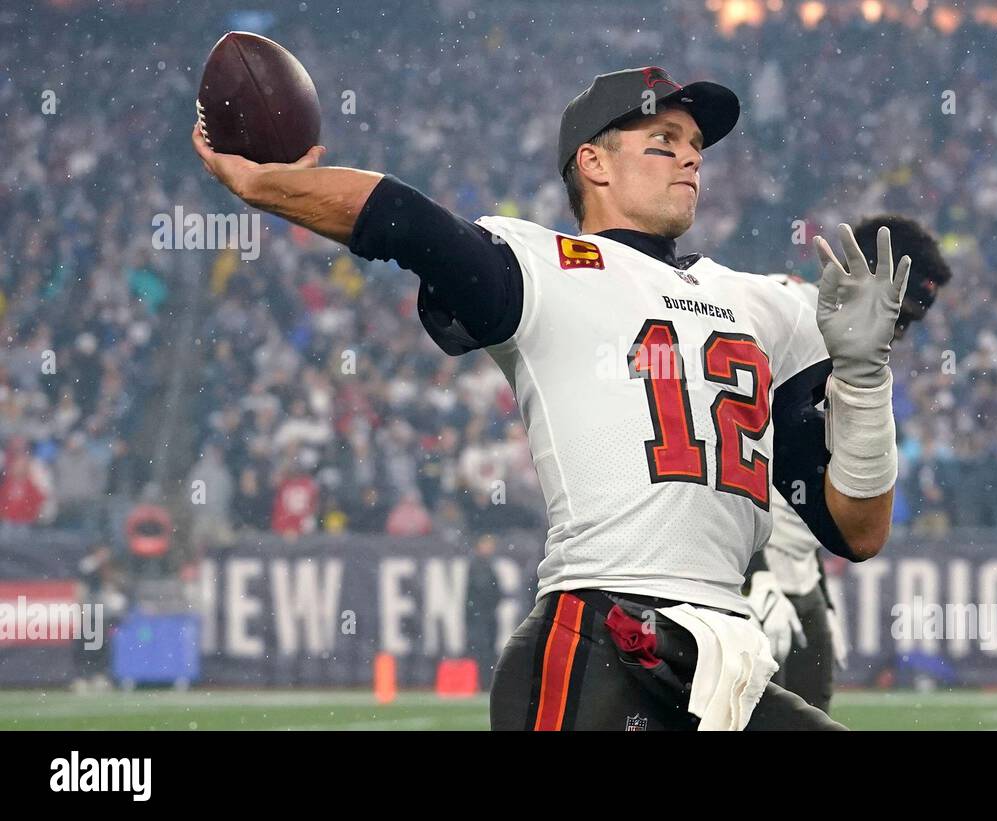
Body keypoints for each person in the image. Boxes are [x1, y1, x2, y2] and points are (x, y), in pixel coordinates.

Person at [194, 65, 908, 731]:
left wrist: (867, 380)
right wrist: (268, 187)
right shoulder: (550, 268)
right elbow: (404, 219)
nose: (692, 157)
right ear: (593, 163)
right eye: (664, 141)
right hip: (603, 634)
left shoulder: (765, 308)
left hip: (725, 658)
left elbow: (856, 529)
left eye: (695, 145)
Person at [746, 214, 952, 712]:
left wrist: (811, 576)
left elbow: (797, 471)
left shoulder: (845, 348)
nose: (899, 334)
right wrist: (749, 570)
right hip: (741, 563)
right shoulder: (781, 314)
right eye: (900, 317)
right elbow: (714, 438)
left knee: (812, 707)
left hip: (795, 569)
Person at [465, 534, 504, 691]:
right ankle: (485, 683)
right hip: (482, 616)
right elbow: (483, 591)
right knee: (484, 650)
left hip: (484, 615)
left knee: (487, 650)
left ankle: (486, 682)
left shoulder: (485, 565)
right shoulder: (479, 566)